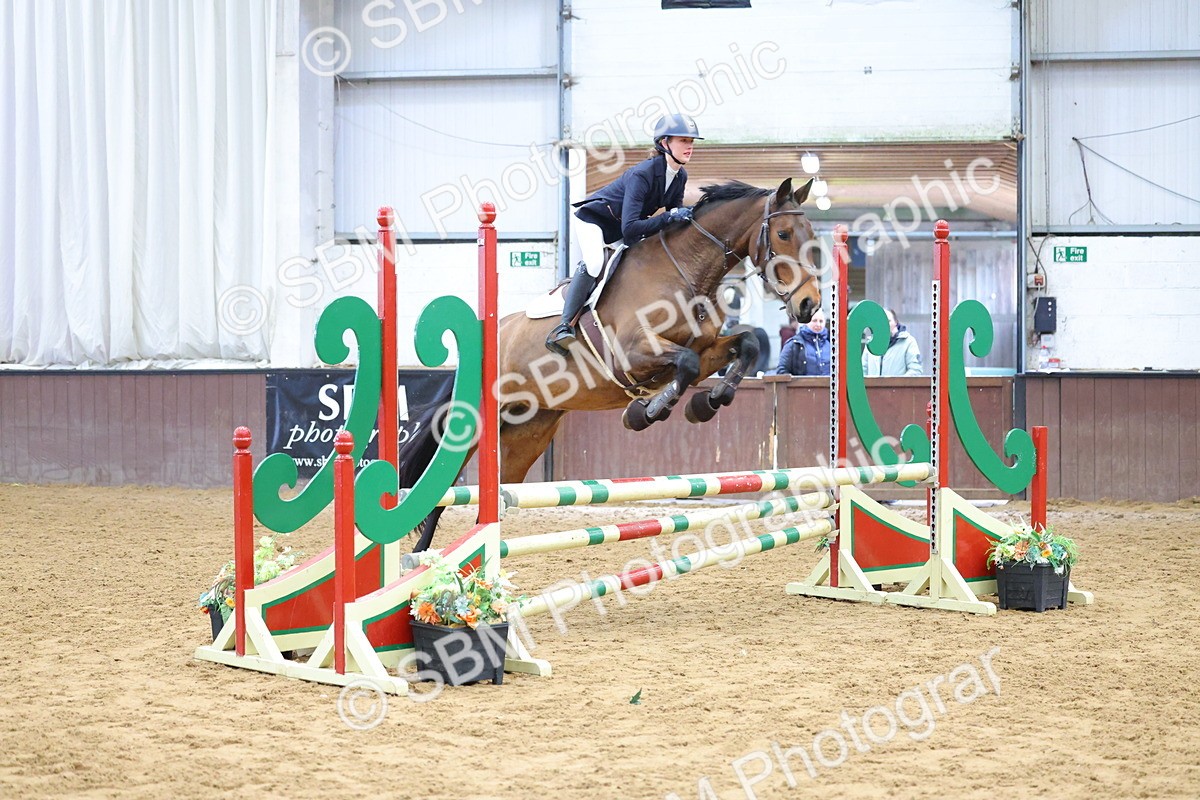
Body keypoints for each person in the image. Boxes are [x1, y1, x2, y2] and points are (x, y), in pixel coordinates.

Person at [545, 113, 702, 355]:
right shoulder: (643, 174)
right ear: (664, 143)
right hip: (595, 221)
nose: (689, 147)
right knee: (596, 264)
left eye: (691, 142)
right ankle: (563, 326)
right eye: (683, 141)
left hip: (622, 227)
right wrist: (669, 217)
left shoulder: (680, 176)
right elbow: (631, 230)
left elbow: (672, 218)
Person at [862, 308, 923, 376]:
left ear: (896, 322)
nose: (884, 324)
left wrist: (897, 384)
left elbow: (916, 371)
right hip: (872, 386)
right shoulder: (870, 343)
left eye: (888, 321)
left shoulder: (908, 342)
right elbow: (862, 371)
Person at [775, 308, 830, 376]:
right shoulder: (794, 344)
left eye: (821, 321)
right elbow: (782, 371)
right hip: (802, 386)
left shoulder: (832, 343)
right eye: (814, 321)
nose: (818, 324)